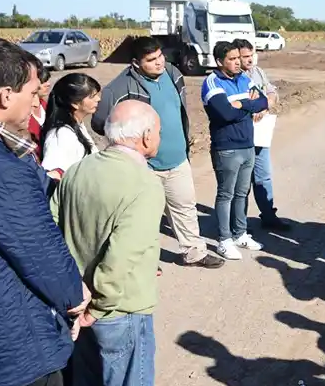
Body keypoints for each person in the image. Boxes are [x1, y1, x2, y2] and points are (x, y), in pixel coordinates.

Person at [0, 38, 87, 386]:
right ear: (5, 97)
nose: (38, 100)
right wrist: (76, 297)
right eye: (32, 91)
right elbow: (39, 251)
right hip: (7, 360)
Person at [51, 100, 164, 386]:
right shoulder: (144, 183)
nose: (159, 136)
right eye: (158, 131)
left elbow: (52, 231)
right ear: (144, 137)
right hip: (118, 310)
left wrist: (78, 298)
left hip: (76, 304)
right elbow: (120, 255)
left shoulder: (77, 171)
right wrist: (99, 305)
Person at [91, 36, 223, 269]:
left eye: (160, 56)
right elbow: (100, 121)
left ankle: (194, 252)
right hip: (145, 166)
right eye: (151, 60)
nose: (159, 62)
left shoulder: (173, 74)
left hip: (178, 159)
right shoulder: (120, 88)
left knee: (185, 207)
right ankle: (145, 261)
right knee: (144, 217)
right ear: (135, 63)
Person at [201, 41, 270, 259]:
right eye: (232, 59)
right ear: (220, 61)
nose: (238, 62)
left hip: (248, 144)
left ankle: (240, 233)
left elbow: (264, 101)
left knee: (242, 193)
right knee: (226, 194)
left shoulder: (244, 79)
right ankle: (224, 239)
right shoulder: (212, 83)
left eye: (238, 58)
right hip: (226, 148)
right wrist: (247, 105)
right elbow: (225, 114)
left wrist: (242, 105)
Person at [232, 38, 291, 231]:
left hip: (260, 134)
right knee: (240, 182)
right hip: (240, 135)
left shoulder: (257, 72)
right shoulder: (232, 79)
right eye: (244, 57)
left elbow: (272, 92)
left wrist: (265, 106)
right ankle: (237, 223)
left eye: (251, 55)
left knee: (263, 177)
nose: (249, 60)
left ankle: (268, 216)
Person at [40, 73, 101, 178]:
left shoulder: (77, 124)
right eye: (92, 96)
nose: (98, 99)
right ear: (75, 103)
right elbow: (52, 175)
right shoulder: (61, 135)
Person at [28, 58, 51, 156]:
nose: (48, 84)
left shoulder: (46, 105)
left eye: (48, 80)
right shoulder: (23, 113)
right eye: (43, 82)